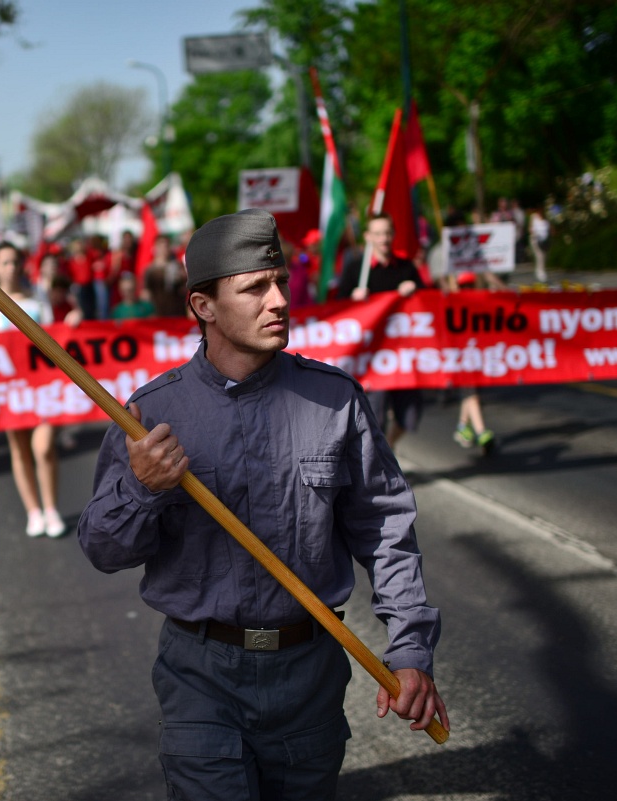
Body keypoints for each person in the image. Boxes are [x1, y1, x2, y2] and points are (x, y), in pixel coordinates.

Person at [78, 209, 447, 801]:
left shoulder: (333, 401)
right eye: (254, 288)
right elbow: (101, 548)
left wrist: (409, 646)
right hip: (201, 674)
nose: (279, 300)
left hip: (311, 673)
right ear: (204, 307)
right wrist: (143, 488)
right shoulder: (149, 416)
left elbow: (384, 529)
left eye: (279, 281)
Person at [0, 242, 66, 537]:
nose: (12, 268)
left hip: (42, 387)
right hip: (11, 390)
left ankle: (51, 508)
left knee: (43, 448)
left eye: (15, 261)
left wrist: (71, 326)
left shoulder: (38, 300)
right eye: (5, 262)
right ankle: (33, 511)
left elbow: (55, 339)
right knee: (19, 449)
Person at [335, 213, 426, 449]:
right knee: (375, 416)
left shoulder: (405, 268)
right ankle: (379, 461)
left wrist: (416, 289)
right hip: (373, 358)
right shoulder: (357, 270)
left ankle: (388, 446)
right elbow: (336, 310)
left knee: (410, 415)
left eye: (387, 233)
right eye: (378, 233)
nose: (384, 238)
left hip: (403, 355)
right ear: (368, 237)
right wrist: (353, 300)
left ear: (393, 235)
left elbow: (429, 304)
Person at [142, 235, 188, 318]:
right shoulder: (150, 270)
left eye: (166, 246)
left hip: (177, 312)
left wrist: (182, 277)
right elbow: (146, 294)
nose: (164, 249)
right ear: (155, 248)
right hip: (158, 313)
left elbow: (184, 289)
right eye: (161, 246)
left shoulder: (177, 266)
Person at [528, 208, 550, 282]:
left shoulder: (545, 221)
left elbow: (548, 231)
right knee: (539, 255)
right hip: (535, 239)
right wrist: (534, 233)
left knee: (543, 256)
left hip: (543, 241)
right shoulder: (533, 217)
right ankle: (540, 273)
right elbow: (530, 228)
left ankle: (540, 271)